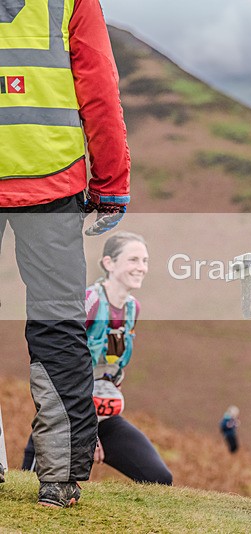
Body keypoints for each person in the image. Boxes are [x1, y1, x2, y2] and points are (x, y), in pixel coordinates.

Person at [0, 0, 130, 507]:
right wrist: (111, 179)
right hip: (50, 178)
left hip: (51, 182)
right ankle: (58, 479)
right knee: (57, 325)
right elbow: (98, 87)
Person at [22, 232, 173, 486]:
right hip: (66, 417)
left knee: (159, 478)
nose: (141, 268)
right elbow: (62, 367)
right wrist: (85, 432)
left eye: (145, 261)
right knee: (29, 485)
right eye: (133, 260)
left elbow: (113, 366)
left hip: (104, 417)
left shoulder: (132, 308)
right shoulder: (88, 302)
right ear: (108, 263)